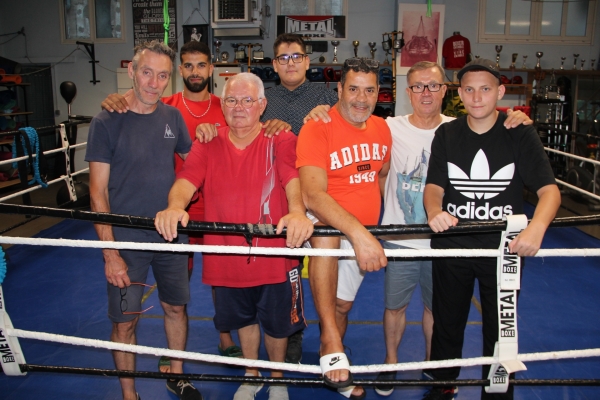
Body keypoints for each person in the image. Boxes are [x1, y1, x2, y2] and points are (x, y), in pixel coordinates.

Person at [100, 40, 291, 367]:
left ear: (211, 69)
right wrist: (116, 100)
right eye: (187, 66)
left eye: (201, 65)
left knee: (221, 282)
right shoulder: (168, 105)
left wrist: (276, 124)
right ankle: (186, 354)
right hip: (178, 212)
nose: (194, 72)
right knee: (187, 288)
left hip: (211, 208)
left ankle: (225, 337)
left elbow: (257, 132)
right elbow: (190, 168)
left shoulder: (224, 102)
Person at [372, 61, 532, 397]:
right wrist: (320, 110)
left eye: (433, 85)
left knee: (442, 312)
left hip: (446, 240)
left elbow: (493, 125)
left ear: (447, 90)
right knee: (395, 306)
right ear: (408, 91)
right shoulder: (389, 126)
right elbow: (352, 121)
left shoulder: (458, 126)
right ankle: (390, 364)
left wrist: (517, 119)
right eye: (418, 86)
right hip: (403, 237)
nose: (425, 92)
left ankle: (438, 371)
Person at [154, 73, 313, 400]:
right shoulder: (208, 142)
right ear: (222, 105)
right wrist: (173, 207)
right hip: (227, 255)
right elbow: (188, 178)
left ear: (262, 105)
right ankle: (252, 374)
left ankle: (278, 377)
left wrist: (296, 211)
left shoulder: (279, 139)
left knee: (278, 324)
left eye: (247, 100)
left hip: (273, 254)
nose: (239, 107)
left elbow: (291, 178)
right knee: (244, 320)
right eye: (231, 100)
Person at [422, 58, 561, 400]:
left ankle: (497, 395)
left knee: (501, 330)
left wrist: (536, 228)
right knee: (446, 325)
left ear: (499, 91)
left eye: (485, 89)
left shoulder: (519, 132)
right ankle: (443, 388)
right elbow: (434, 186)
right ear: (460, 94)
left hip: (504, 250)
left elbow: (549, 191)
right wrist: (434, 210)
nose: (477, 97)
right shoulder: (447, 133)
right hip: (454, 246)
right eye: (469, 89)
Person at [196, 33, 338, 364]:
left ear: (306, 61)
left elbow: (340, 134)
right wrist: (208, 127)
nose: (290, 63)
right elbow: (237, 121)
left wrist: (327, 115)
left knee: (323, 277)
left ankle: (322, 340)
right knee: (279, 270)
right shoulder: (262, 97)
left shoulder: (327, 96)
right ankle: (281, 341)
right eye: (283, 58)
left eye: (296, 56)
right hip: (278, 197)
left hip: (316, 194)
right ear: (274, 64)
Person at [86, 40, 202, 400]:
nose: (154, 82)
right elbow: (97, 194)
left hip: (169, 235)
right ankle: (129, 393)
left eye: (163, 75)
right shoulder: (106, 121)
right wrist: (110, 252)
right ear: (132, 72)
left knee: (175, 307)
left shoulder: (172, 117)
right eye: (147, 72)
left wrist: (212, 137)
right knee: (126, 320)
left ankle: (177, 374)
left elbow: (197, 162)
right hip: (126, 240)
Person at [296, 57, 392, 400]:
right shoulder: (317, 127)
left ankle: (334, 352)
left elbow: (381, 175)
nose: (361, 99)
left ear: (378, 93)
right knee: (326, 232)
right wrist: (360, 233)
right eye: (353, 89)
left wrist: (376, 226)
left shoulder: (382, 129)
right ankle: (331, 342)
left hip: (362, 231)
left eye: (369, 91)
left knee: (343, 307)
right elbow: (311, 195)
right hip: (326, 225)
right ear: (339, 89)